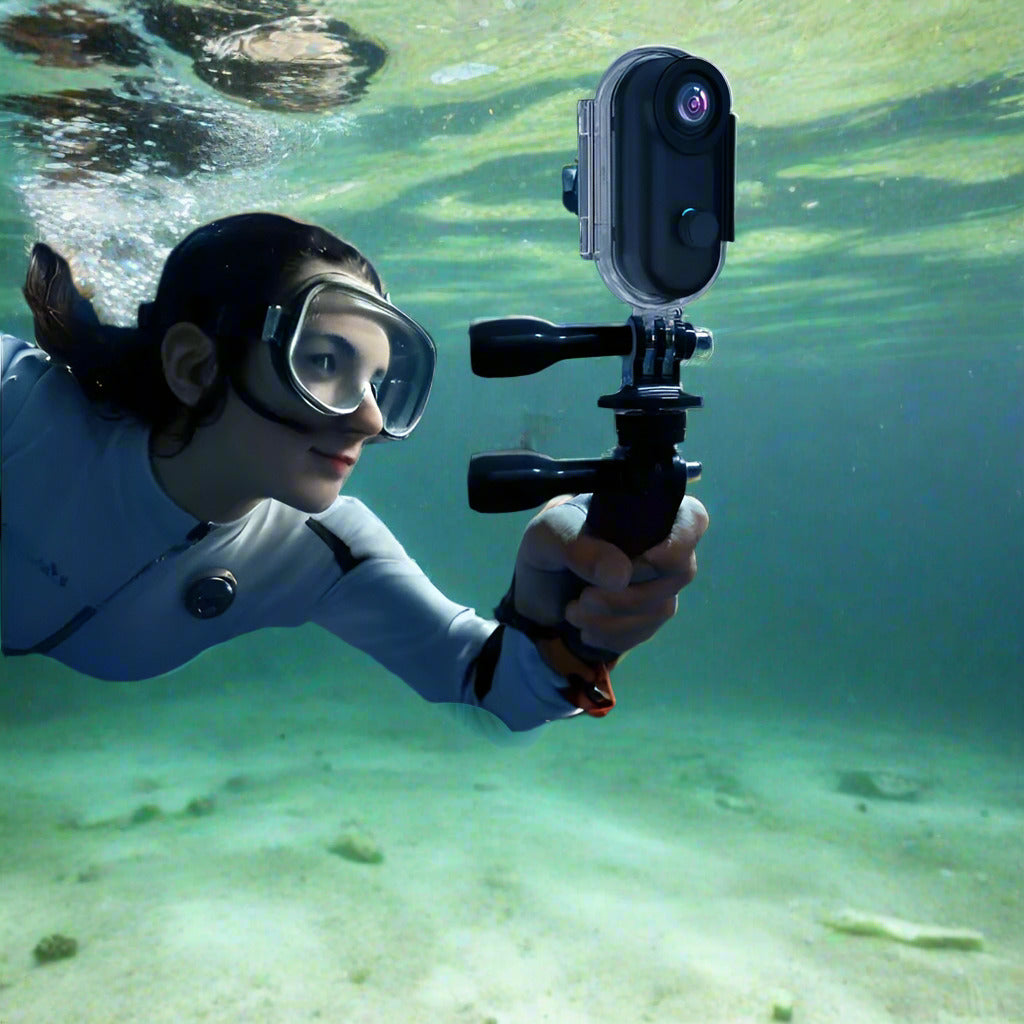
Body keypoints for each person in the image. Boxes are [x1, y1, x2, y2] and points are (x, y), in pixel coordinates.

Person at [0, 212, 708, 737]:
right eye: (326, 363)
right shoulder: (19, 404)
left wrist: (560, 618)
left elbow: (488, 684)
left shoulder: (321, 549)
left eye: (380, 381)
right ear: (195, 366)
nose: (370, 421)